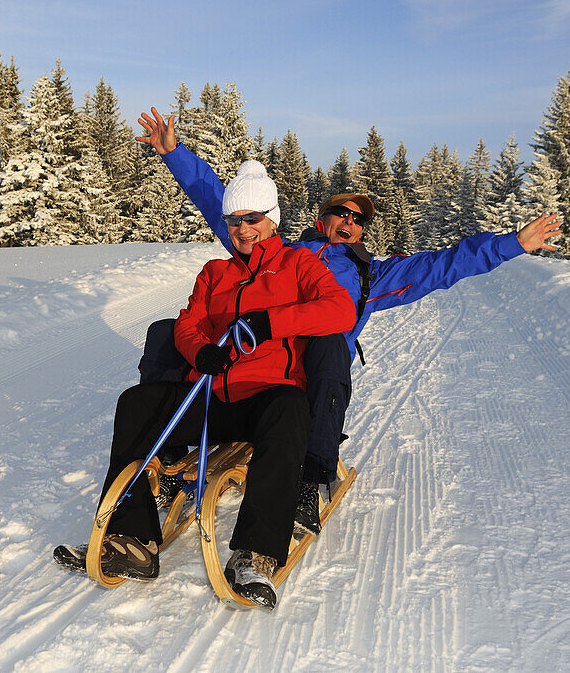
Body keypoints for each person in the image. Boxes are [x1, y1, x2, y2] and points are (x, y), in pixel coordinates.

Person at [134, 108, 562, 535]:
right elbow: (222, 201)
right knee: (165, 332)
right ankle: (167, 457)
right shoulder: (283, 252)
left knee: (330, 342)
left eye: (359, 219)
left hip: (307, 372)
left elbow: (440, 265)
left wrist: (512, 244)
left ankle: (309, 476)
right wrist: (174, 153)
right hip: (257, 356)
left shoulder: (368, 275)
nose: (351, 221)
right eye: (343, 212)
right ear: (323, 220)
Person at [54, 160, 355, 610]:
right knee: (137, 403)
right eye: (234, 221)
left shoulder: (298, 264)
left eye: (252, 219)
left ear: (271, 220)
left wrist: (271, 321)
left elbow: (339, 310)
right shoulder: (215, 272)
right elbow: (187, 325)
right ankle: (133, 539)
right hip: (212, 397)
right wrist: (200, 352)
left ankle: (256, 554)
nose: (242, 229)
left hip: (265, 398)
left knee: (291, 406)